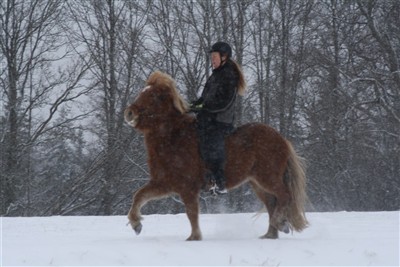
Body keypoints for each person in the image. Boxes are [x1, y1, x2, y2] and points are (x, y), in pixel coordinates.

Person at [190, 41, 246, 195]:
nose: (212, 60)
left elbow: (224, 102)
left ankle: (218, 180)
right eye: (211, 57)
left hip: (221, 120)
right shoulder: (215, 75)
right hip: (208, 117)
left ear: (224, 57)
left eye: (214, 57)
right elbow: (204, 98)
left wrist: (205, 108)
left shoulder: (228, 75)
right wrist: (192, 106)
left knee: (211, 141)